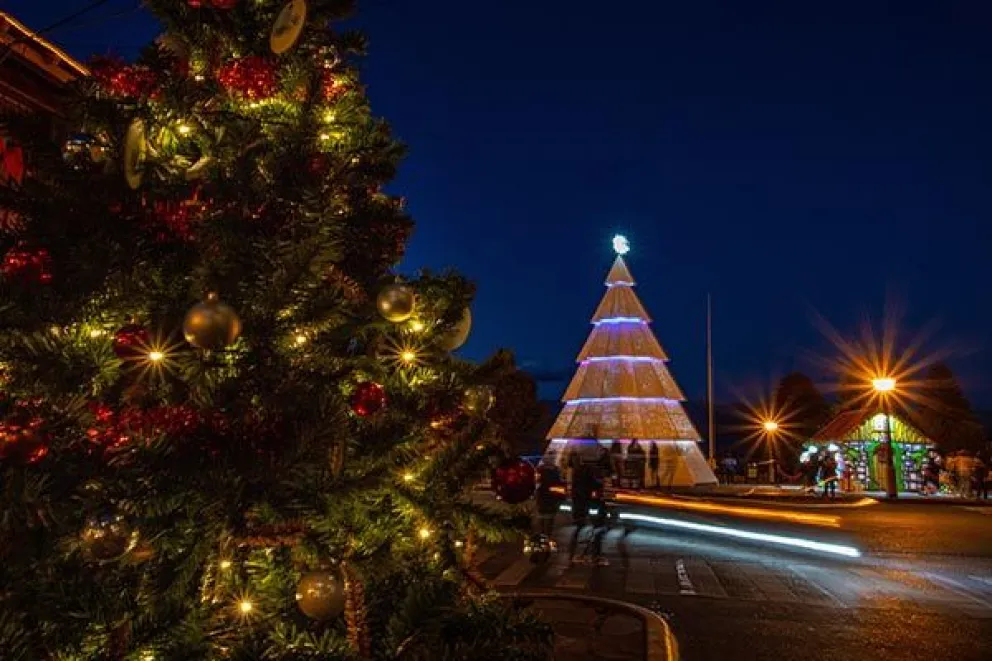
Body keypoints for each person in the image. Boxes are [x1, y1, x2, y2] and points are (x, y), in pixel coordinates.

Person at [535, 464, 564, 537]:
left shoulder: (541, 475)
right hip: (549, 502)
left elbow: (537, 488)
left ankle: (543, 535)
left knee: (544, 520)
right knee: (548, 520)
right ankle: (546, 535)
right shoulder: (555, 473)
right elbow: (559, 490)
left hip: (544, 501)